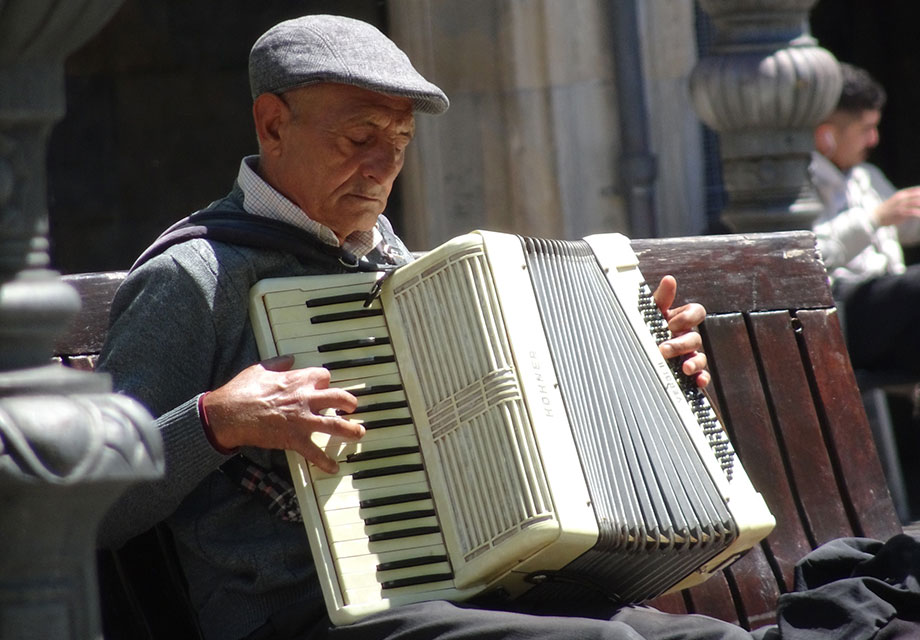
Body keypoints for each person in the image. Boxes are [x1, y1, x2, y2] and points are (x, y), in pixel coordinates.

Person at [96, 14, 747, 640]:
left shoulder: (393, 264)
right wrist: (217, 421)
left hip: (463, 590)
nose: (383, 166)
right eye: (360, 139)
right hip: (301, 618)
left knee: (707, 637)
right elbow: (90, 507)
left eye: (400, 143)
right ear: (273, 125)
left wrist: (648, 373)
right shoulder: (194, 278)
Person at [810, 62, 920, 374]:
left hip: (888, 303)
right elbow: (811, 254)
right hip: (842, 311)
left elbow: (907, 224)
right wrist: (873, 219)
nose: (873, 140)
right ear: (826, 136)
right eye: (864, 130)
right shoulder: (800, 185)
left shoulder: (865, 176)